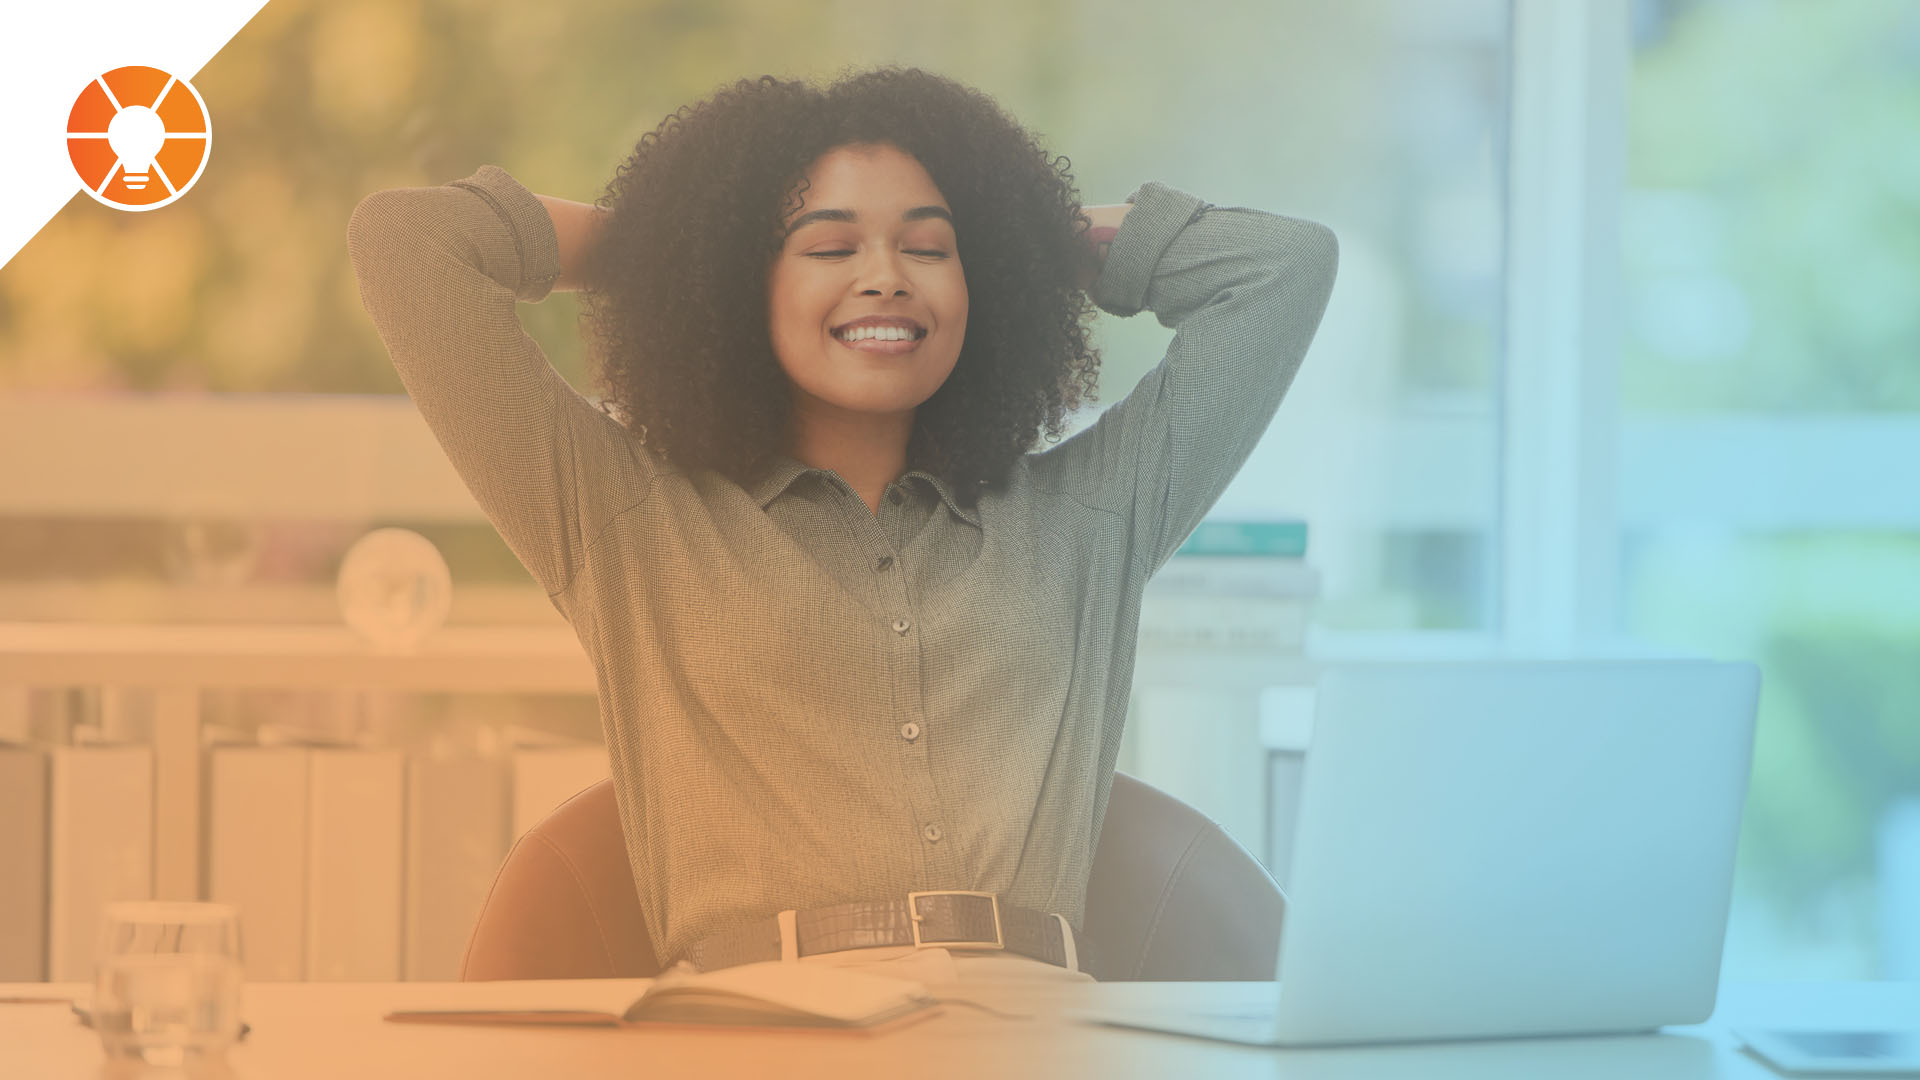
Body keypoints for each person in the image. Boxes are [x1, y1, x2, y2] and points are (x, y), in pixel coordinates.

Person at [346, 66, 1337, 982]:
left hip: (1026, 1034)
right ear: (744, 283)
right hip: (751, 1033)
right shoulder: (628, 520)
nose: (885, 277)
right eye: (829, 246)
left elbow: (1280, 269)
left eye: (929, 247)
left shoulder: (1088, 515)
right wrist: (669, 242)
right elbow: (408, 244)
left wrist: (1023, 237)